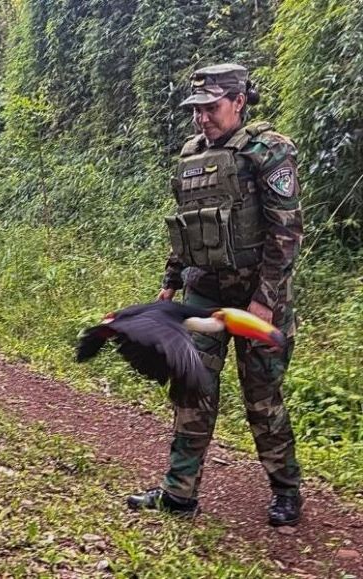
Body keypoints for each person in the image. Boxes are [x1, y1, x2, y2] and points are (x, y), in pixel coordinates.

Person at [127, 64, 303, 526]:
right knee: (191, 389)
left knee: (262, 398)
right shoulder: (190, 155)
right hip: (203, 294)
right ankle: (179, 493)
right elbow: (184, 230)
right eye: (196, 110)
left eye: (211, 107)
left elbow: (286, 233)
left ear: (238, 102)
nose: (202, 117)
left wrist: (265, 298)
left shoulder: (269, 151)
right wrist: (170, 282)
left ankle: (287, 490)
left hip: (254, 297)